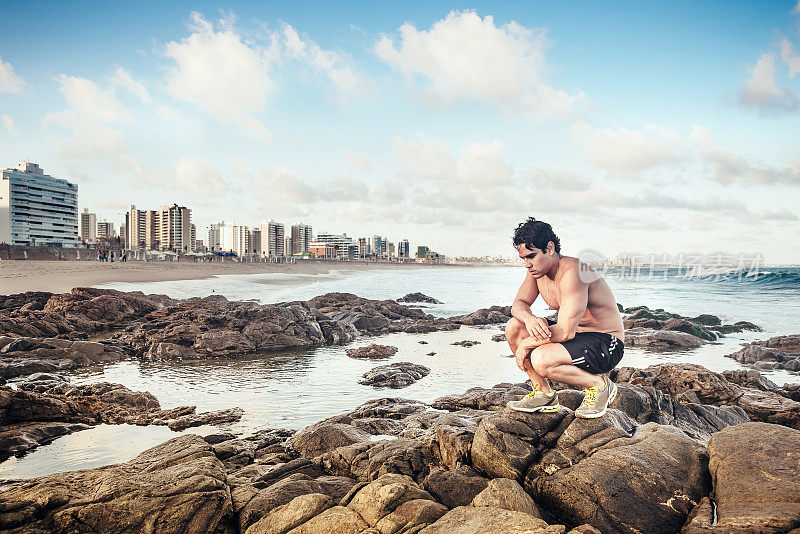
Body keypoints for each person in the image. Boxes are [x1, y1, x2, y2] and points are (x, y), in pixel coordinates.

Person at [505, 217, 624, 418]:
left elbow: (566, 331)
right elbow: (518, 305)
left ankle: (600, 386)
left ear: (549, 248)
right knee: (514, 327)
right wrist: (530, 319)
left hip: (606, 343)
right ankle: (543, 393)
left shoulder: (574, 271)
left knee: (541, 359)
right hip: (576, 338)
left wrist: (525, 345)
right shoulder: (537, 272)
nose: (527, 264)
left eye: (531, 256)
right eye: (523, 258)